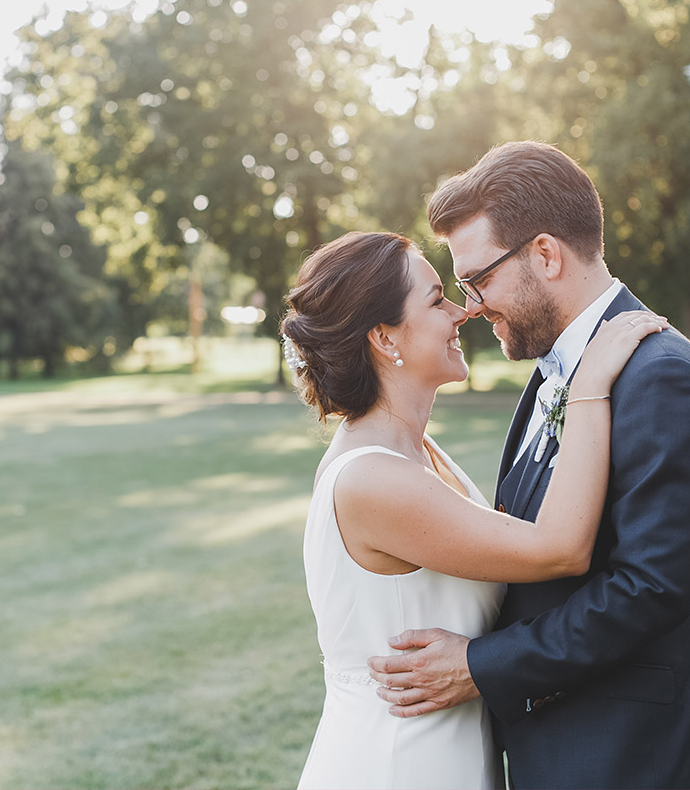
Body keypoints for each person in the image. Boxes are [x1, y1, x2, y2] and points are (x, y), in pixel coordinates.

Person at [367, 141, 690, 790]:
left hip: (631, 756)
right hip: (559, 744)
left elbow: (649, 590)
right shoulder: (552, 372)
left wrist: (480, 666)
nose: (474, 306)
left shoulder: (661, 378)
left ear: (544, 255)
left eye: (477, 280)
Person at [282, 230, 667, 790]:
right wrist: (589, 387)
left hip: (449, 751)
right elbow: (559, 548)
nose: (464, 312)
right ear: (385, 337)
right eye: (437, 299)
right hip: (399, 763)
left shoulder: (413, 451)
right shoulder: (374, 478)